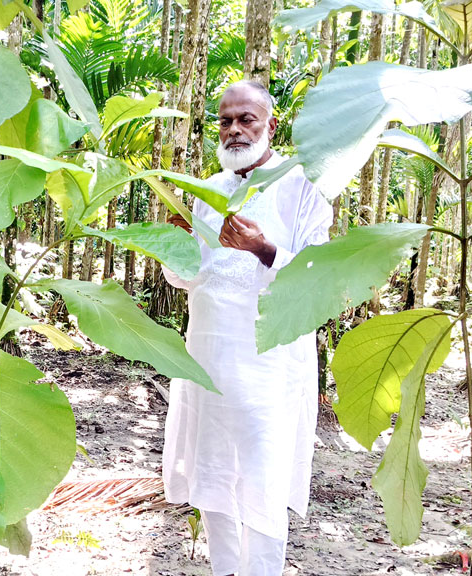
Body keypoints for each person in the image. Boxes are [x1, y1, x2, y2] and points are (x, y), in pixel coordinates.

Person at [160, 80, 333, 576]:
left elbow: (318, 277)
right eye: (225, 120)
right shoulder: (207, 191)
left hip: (269, 366)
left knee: (263, 479)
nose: (234, 129)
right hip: (209, 355)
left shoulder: (302, 186)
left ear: (270, 125)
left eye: (246, 119)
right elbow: (189, 278)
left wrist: (264, 250)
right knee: (212, 474)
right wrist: (173, 247)